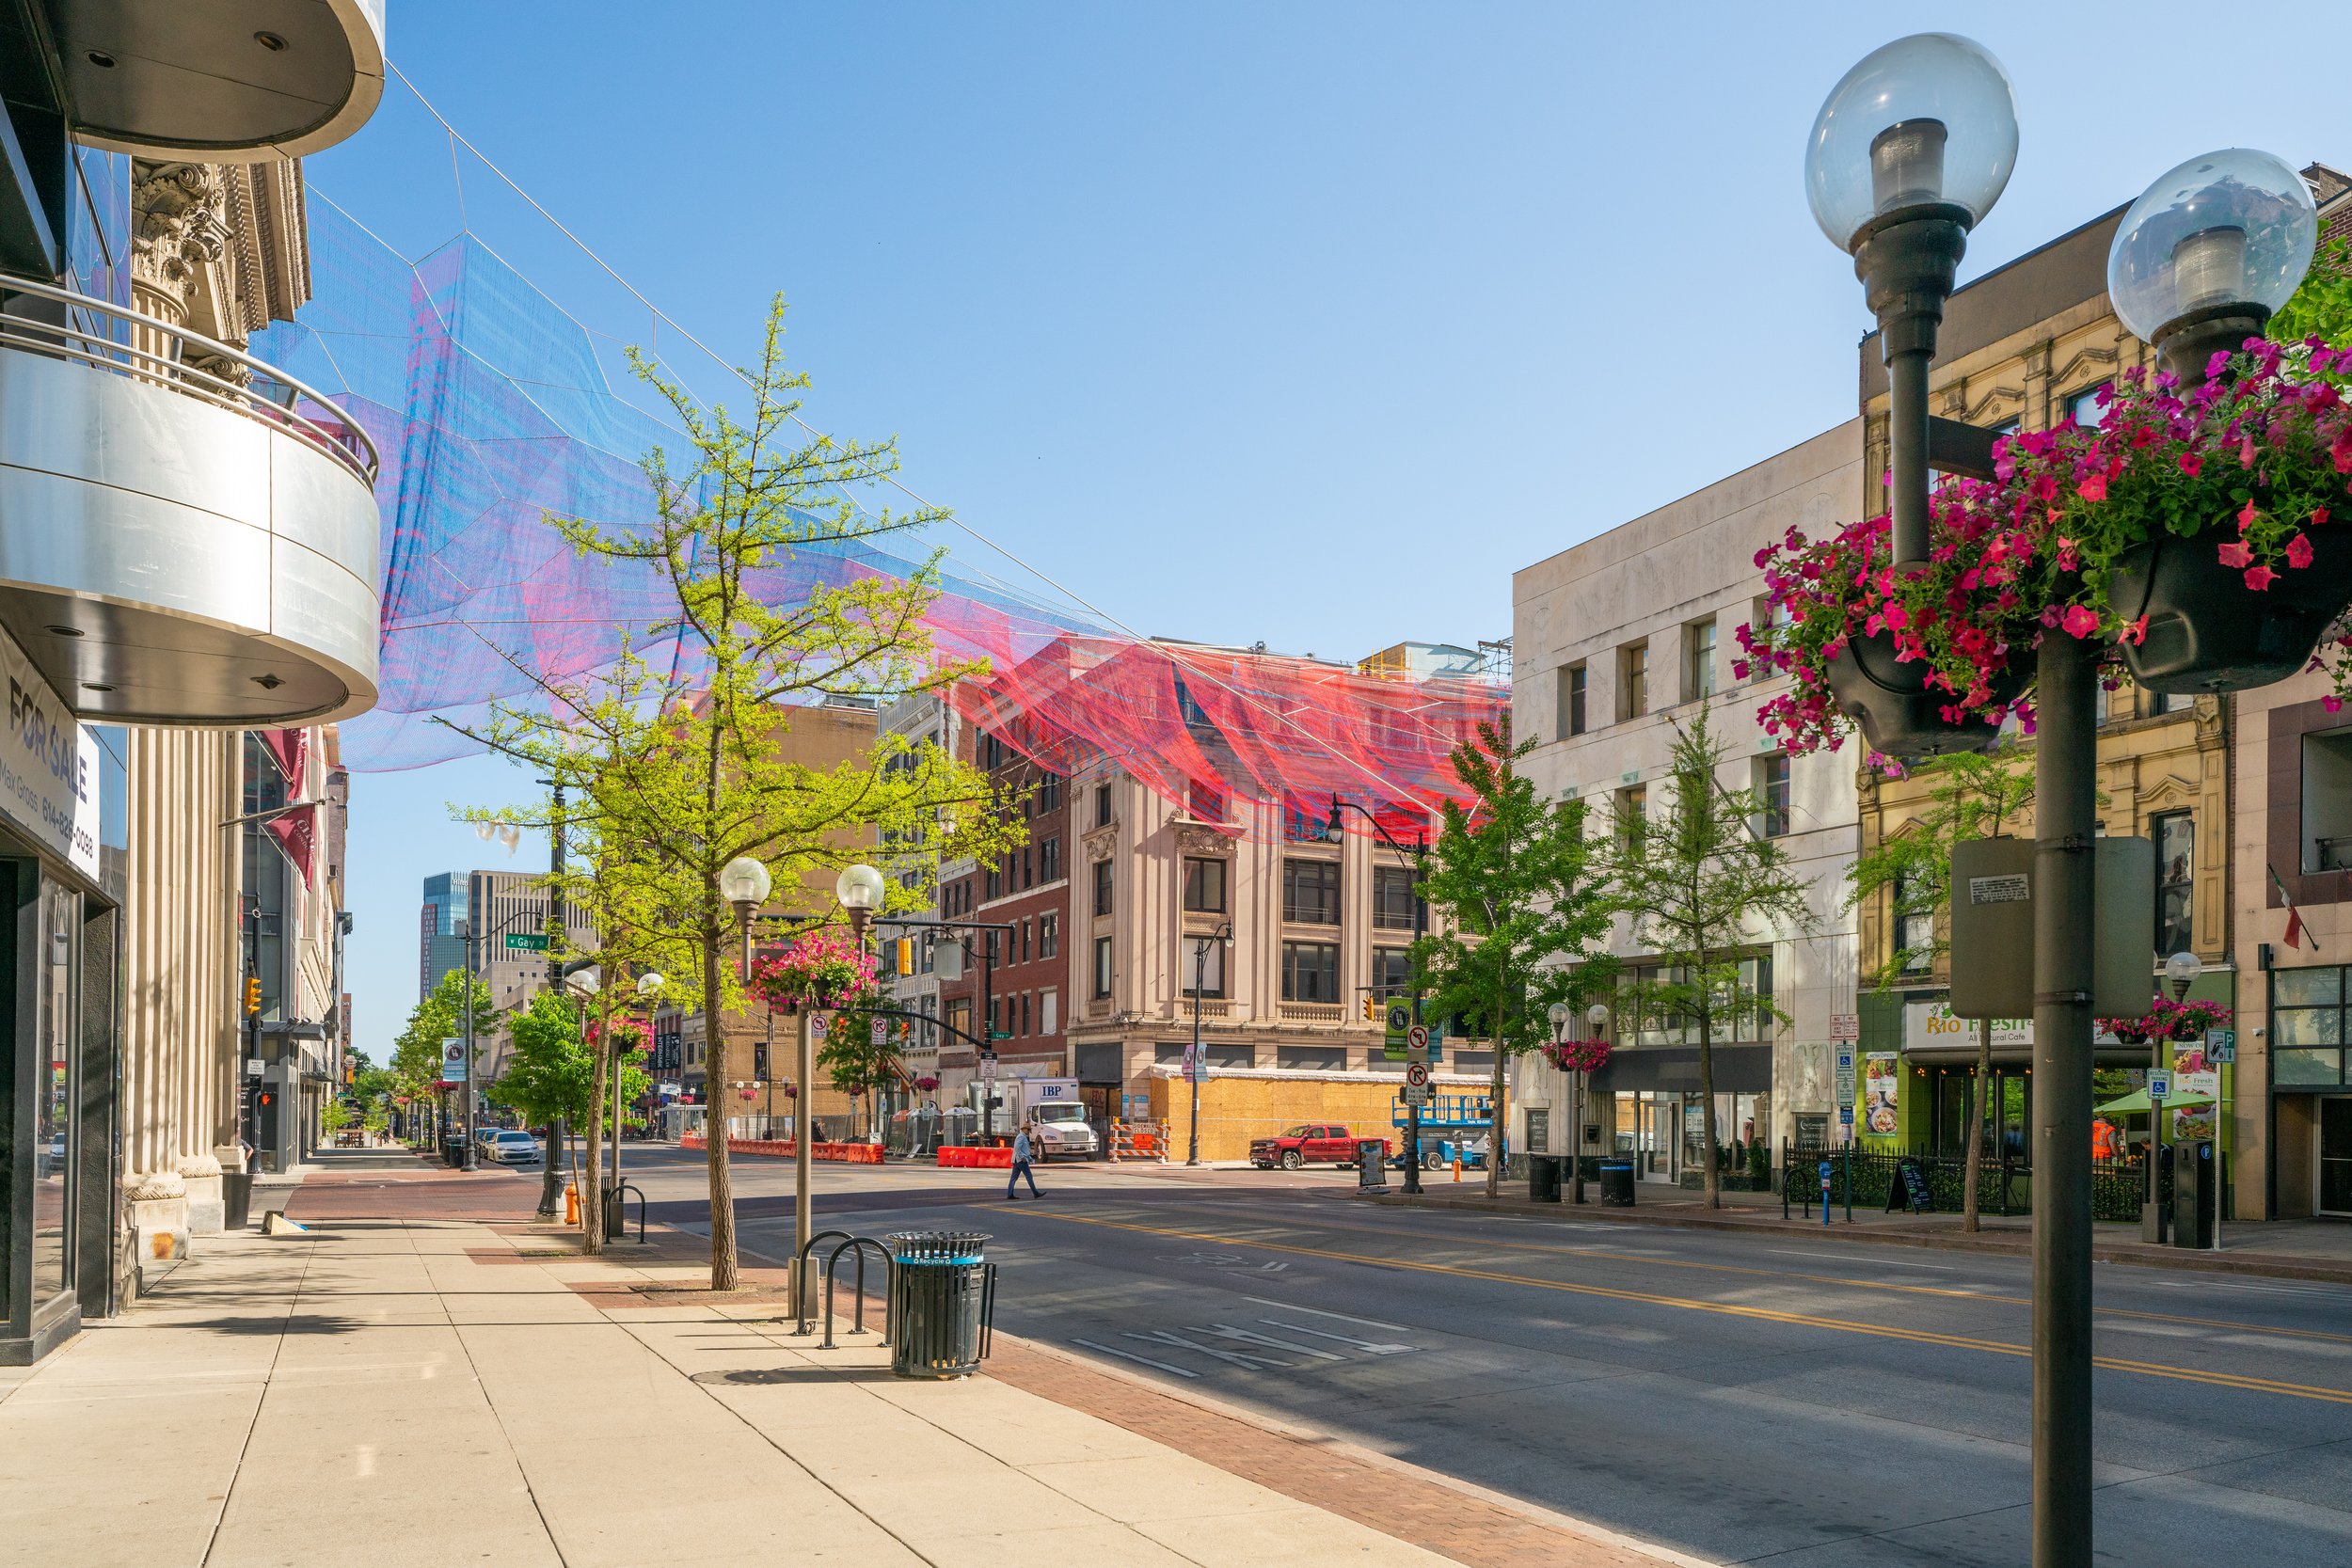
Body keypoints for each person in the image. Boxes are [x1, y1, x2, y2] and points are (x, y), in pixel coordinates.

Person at [1006, 1128, 1041, 1199]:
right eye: (1028, 1130)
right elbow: (1017, 1148)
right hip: (1021, 1160)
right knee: (1029, 1176)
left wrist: (1030, 1158)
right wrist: (1022, 1157)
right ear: (1024, 1129)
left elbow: (1025, 1150)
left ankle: (1010, 1194)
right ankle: (1035, 1193)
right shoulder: (1021, 1137)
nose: (1029, 1132)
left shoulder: (1023, 1137)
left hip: (1017, 1160)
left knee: (1013, 1178)